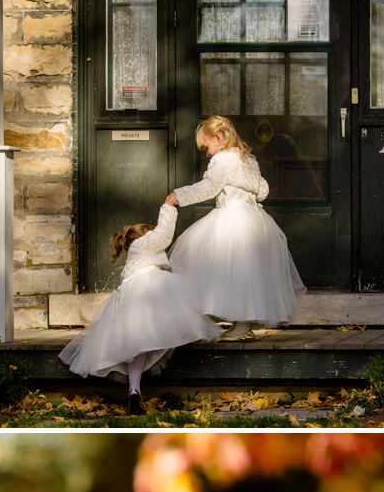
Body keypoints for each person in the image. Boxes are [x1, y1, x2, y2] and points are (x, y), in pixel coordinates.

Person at [59, 204, 219, 410]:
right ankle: (197, 331)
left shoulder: (132, 256)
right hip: (149, 291)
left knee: (136, 346)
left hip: (129, 299)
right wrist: (169, 207)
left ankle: (134, 389)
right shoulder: (143, 244)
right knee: (174, 314)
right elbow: (164, 235)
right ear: (145, 236)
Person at [165, 116, 303, 326]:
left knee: (221, 266)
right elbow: (263, 190)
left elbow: (208, 188)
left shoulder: (222, 160)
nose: (206, 153)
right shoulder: (249, 160)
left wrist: (178, 196)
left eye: (206, 147)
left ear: (218, 138)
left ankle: (228, 318)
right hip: (255, 220)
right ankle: (243, 322)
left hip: (231, 218)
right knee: (247, 273)